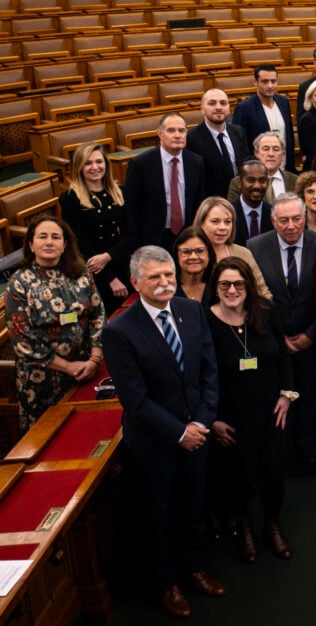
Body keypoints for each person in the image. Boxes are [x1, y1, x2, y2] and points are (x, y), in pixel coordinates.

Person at [102, 246, 224, 619]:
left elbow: (209, 372)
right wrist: (179, 433)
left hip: (197, 436)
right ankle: (166, 583)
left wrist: (201, 423)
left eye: (169, 275)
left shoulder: (191, 310)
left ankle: (194, 567)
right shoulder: (119, 331)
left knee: (194, 505)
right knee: (158, 514)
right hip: (155, 444)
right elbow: (135, 400)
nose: (165, 282)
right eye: (154, 277)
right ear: (136, 282)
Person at [206, 257, 295, 562]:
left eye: (239, 284)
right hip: (230, 416)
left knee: (273, 474)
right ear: (215, 288)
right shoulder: (206, 321)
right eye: (225, 284)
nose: (232, 290)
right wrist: (212, 419)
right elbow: (201, 374)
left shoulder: (266, 312)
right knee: (238, 476)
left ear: (248, 285)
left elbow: (283, 355)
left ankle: (272, 523)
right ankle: (244, 525)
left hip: (271, 410)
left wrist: (286, 394)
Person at [247, 193, 316, 478]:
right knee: (277, 402)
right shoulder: (255, 247)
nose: (291, 225)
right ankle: (281, 457)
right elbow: (254, 299)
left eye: (297, 219)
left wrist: (311, 335)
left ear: (305, 218)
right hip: (273, 343)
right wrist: (277, 336)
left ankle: (311, 454)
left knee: (312, 402)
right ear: (273, 221)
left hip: (313, 341)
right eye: (284, 220)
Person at [6, 216, 104, 432]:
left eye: (56, 237)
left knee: (90, 433)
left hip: (87, 370)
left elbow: (98, 314)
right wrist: (69, 367)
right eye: (42, 236)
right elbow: (24, 343)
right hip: (44, 382)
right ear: (31, 244)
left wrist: (95, 358)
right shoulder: (19, 284)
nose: (49, 242)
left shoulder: (82, 274)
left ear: (65, 244)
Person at [60, 141, 132, 314]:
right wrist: (110, 278)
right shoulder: (70, 198)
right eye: (88, 163)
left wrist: (108, 256)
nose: (95, 167)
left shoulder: (120, 190)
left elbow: (131, 233)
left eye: (99, 162)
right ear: (79, 167)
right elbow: (78, 241)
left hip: (120, 258)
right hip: (94, 270)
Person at [124, 113, 205, 251]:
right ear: (160, 134)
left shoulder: (196, 161)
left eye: (182, 130)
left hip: (187, 235)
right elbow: (131, 209)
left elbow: (200, 201)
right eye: (171, 130)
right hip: (153, 239)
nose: (177, 135)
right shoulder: (141, 164)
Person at [194, 196, 271, 299]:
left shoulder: (243, 253)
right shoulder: (192, 255)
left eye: (227, 222)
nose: (223, 227)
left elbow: (262, 292)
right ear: (201, 224)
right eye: (215, 221)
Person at [186, 89, 249, 199]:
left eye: (223, 103)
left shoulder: (238, 132)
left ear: (229, 107)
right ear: (202, 109)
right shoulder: (191, 138)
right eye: (212, 103)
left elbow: (246, 165)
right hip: (213, 205)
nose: (219, 107)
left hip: (241, 201)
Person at [232, 64, 296, 173]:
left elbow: (289, 136)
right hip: (259, 171)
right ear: (255, 82)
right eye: (265, 82)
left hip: (285, 169)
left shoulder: (283, 102)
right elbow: (240, 145)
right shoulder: (244, 108)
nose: (270, 85)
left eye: (273, 81)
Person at [227, 132, 296, 205]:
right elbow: (233, 212)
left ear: (282, 155)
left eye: (276, 149)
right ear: (256, 154)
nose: (271, 154)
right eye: (265, 149)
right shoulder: (239, 182)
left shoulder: (294, 181)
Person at [231, 159, 273, 247]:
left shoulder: (273, 213)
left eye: (262, 180)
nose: (257, 186)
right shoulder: (229, 213)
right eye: (251, 180)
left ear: (268, 183)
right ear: (239, 182)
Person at [172, 226, 213, 303]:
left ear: (209, 254)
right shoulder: (168, 288)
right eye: (186, 252)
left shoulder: (218, 286)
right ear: (177, 255)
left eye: (200, 251)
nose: (193, 257)